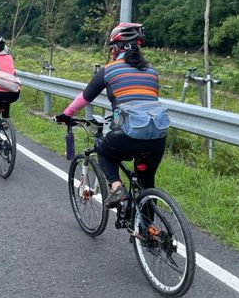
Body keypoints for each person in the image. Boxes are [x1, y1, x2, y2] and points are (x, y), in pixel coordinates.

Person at [54, 23, 165, 208]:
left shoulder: (109, 69)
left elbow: (85, 97)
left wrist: (66, 115)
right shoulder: (152, 72)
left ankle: (116, 187)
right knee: (146, 186)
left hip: (129, 134)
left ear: (116, 48)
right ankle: (149, 232)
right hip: (158, 136)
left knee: (104, 151)